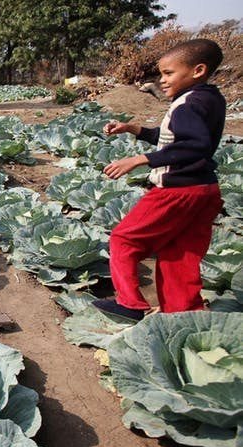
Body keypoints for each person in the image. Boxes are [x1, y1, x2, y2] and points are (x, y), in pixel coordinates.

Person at [92, 39, 226, 321]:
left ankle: (130, 304)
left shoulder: (187, 105)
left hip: (177, 191)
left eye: (168, 73)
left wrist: (140, 159)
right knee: (180, 254)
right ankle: (184, 314)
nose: (162, 80)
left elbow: (195, 144)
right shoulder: (210, 99)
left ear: (198, 70)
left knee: (123, 240)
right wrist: (133, 129)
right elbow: (173, 138)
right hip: (205, 190)